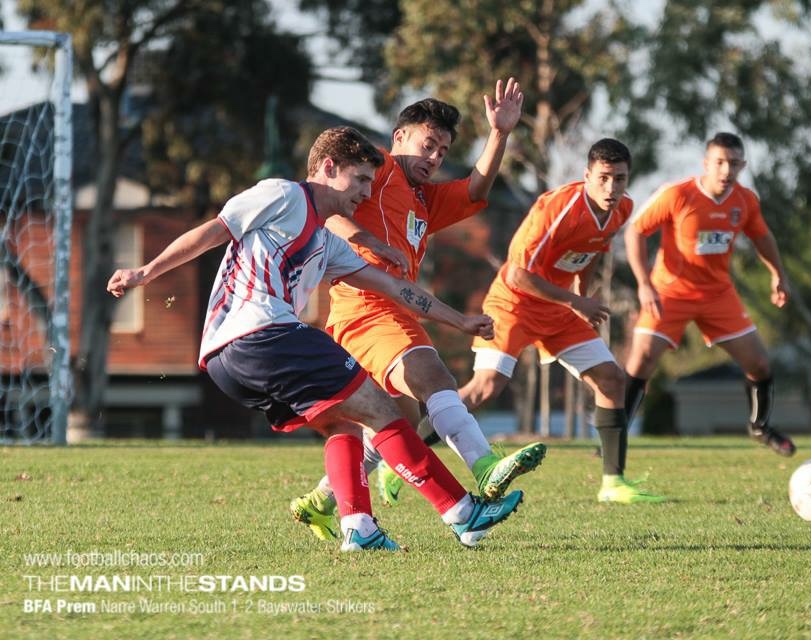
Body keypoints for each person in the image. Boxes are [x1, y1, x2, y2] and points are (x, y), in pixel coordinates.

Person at [106, 126, 524, 551]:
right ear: (328, 167)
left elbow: (396, 289)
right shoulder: (284, 195)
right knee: (382, 408)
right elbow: (215, 230)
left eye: (370, 182)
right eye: (360, 179)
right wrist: (146, 272)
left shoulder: (327, 244)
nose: (366, 191)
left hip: (224, 361)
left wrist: (460, 321)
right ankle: (463, 512)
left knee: (342, 421)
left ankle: (359, 528)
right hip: (264, 333)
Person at [294, 79, 545, 530]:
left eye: (443, 152)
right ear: (399, 137)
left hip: (387, 311)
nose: (434, 158)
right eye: (427, 145)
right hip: (367, 307)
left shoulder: (424, 200)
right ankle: (484, 466)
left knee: (396, 421)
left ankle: (321, 501)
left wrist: (499, 134)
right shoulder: (378, 168)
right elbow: (328, 211)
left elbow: (475, 190)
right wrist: (369, 240)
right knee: (435, 378)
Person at [452, 138, 665, 505]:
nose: (611, 188)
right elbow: (518, 275)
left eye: (619, 178)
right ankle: (405, 450)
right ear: (587, 176)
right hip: (513, 304)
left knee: (611, 379)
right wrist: (576, 300)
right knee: (485, 388)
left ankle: (613, 483)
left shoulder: (622, 208)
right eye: (603, 178)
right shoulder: (558, 209)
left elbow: (592, 250)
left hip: (558, 309)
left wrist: (580, 296)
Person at [623, 132, 796, 456]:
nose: (726, 170)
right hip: (669, 292)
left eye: (733, 163)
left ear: (743, 165)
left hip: (717, 295)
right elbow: (635, 230)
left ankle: (760, 427)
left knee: (759, 363)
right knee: (642, 358)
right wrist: (643, 283)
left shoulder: (745, 201)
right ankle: (615, 437)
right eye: (719, 162)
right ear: (706, 163)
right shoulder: (677, 194)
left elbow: (762, 237)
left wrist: (778, 274)